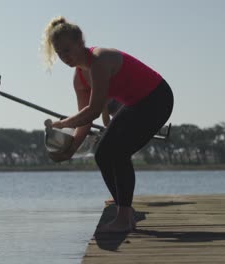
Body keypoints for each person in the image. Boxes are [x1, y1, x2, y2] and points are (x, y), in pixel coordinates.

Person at [41, 16, 174, 232]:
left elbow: (93, 110)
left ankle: (124, 217)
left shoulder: (99, 61)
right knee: (102, 154)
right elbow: (86, 120)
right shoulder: (79, 79)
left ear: (80, 42)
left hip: (157, 98)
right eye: (59, 53)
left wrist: (60, 123)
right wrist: (71, 149)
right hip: (135, 104)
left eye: (67, 50)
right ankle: (125, 209)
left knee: (118, 152)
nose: (65, 57)